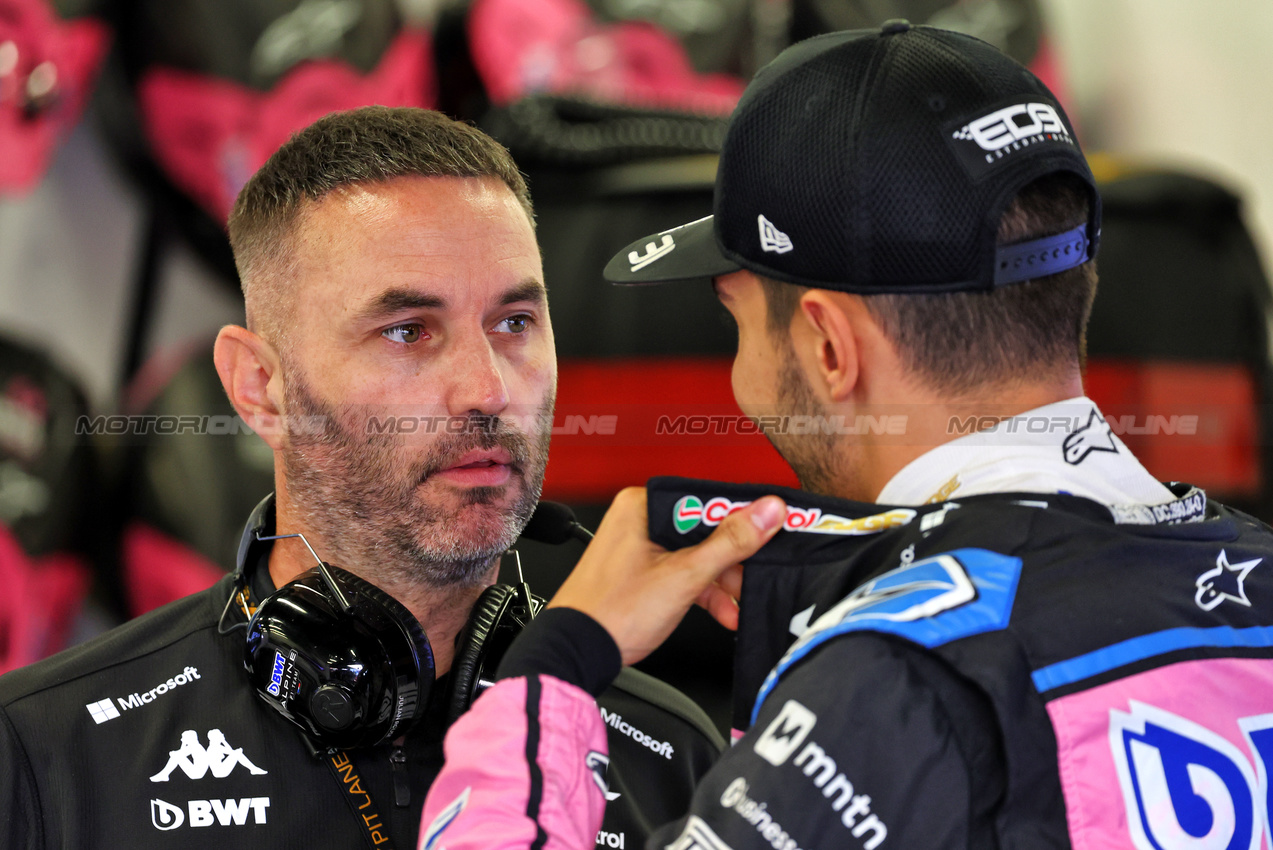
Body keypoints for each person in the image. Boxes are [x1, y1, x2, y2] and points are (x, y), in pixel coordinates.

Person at [416, 21, 1273, 850]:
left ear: (828, 346)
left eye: (737, 321)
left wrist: (552, 672)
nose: (740, 374)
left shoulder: (899, 681)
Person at [0, 106, 724, 849]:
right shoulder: (48, 753)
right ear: (259, 387)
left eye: (513, 323)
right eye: (407, 331)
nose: (487, 388)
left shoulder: (674, 760)